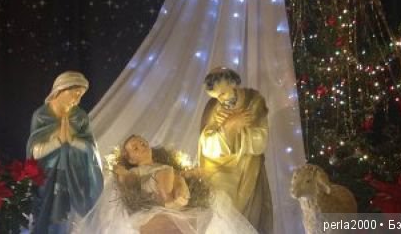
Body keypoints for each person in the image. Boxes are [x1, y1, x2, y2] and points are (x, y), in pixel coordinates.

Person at [76, 135, 257, 234]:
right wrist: (122, 173)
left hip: (172, 188)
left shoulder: (164, 166)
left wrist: (192, 173)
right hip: (154, 192)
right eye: (135, 148)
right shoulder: (139, 171)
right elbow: (129, 180)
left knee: (176, 176)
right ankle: (171, 199)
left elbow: (181, 174)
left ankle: (179, 197)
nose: (141, 147)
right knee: (168, 174)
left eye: (142, 143)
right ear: (130, 159)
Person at [197, 67, 272, 233]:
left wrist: (238, 129)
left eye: (223, 93)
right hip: (219, 177)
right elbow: (207, 146)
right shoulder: (212, 107)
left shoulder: (254, 102)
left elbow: (260, 140)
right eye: (216, 96)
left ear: (233, 84)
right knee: (221, 221)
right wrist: (228, 127)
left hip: (247, 173)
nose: (220, 99)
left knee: (247, 220)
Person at [27, 71, 103, 234]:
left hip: (75, 176)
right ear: (61, 90)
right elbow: (34, 152)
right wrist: (58, 141)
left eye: (81, 95)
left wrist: (73, 140)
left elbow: (90, 148)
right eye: (75, 93)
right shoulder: (41, 116)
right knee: (47, 216)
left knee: (68, 220)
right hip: (48, 175)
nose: (77, 99)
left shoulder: (80, 116)